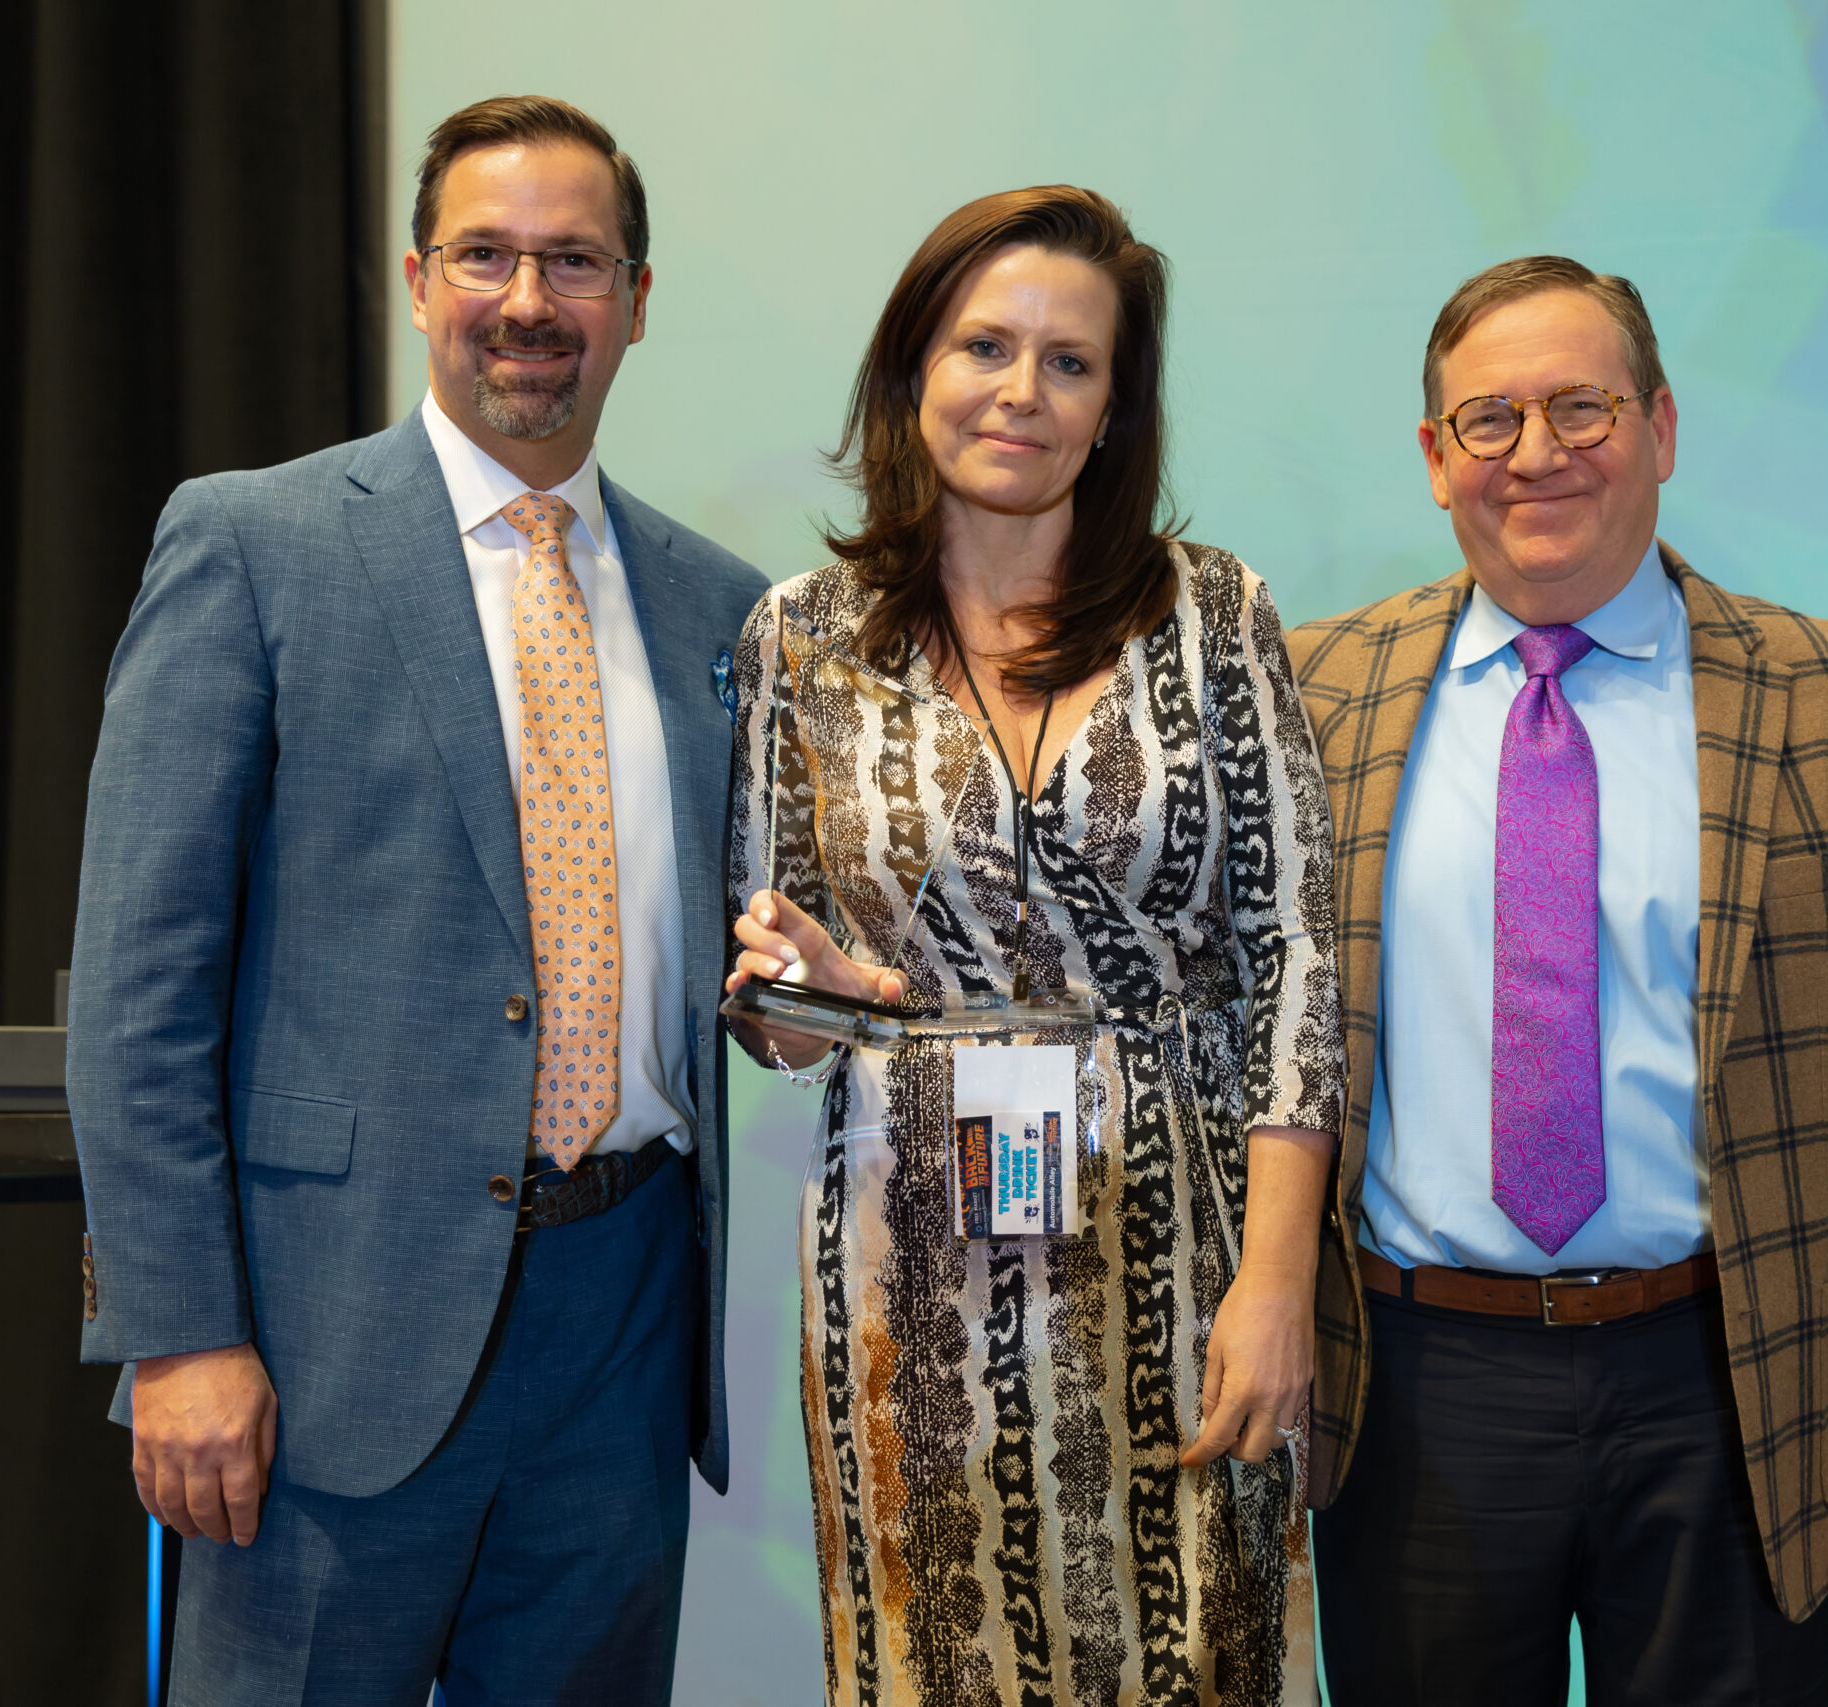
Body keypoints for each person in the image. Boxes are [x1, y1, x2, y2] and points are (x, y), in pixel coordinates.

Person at [66, 95, 767, 1704]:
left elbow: (727, 947)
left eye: (575, 261)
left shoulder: (721, 608)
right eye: (488, 255)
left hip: (623, 1325)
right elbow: (135, 985)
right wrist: (175, 1333)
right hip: (325, 1338)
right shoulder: (255, 544)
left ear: (638, 301)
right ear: (416, 277)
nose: (529, 300)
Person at [1286, 256, 1828, 1706]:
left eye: (1582, 407)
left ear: (1662, 429)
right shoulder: (1312, 697)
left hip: (1730, 1383)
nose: (1536, 453)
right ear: (1435, 461)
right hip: (1418, 1386)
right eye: (1490, 420)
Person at [721, 186, 1345, 1706]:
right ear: (911, 369)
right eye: (984, 345)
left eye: (1072, 362)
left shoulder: (1214, 615)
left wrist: (1277, 1285)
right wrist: (801, 1001)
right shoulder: (802, 636)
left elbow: (1294, 963)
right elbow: (775, 997)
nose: (1022, 390)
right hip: (906, 1274)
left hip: (1181, 1258)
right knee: (937, 1661)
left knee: (1196, 1656)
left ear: (1117, 405)